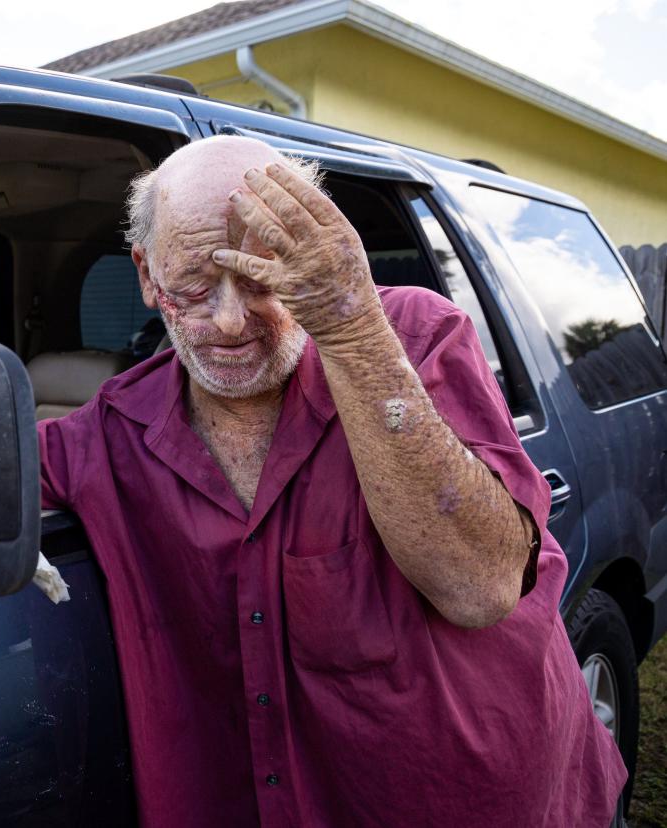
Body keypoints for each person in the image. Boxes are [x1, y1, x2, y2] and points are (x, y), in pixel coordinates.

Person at [37, 135, 627, 827]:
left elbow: (482, 584)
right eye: (194, 284)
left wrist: (348, 326)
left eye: (263, 279)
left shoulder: (412, 333)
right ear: (145, 274)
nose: (228, 322)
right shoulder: (103, 434)